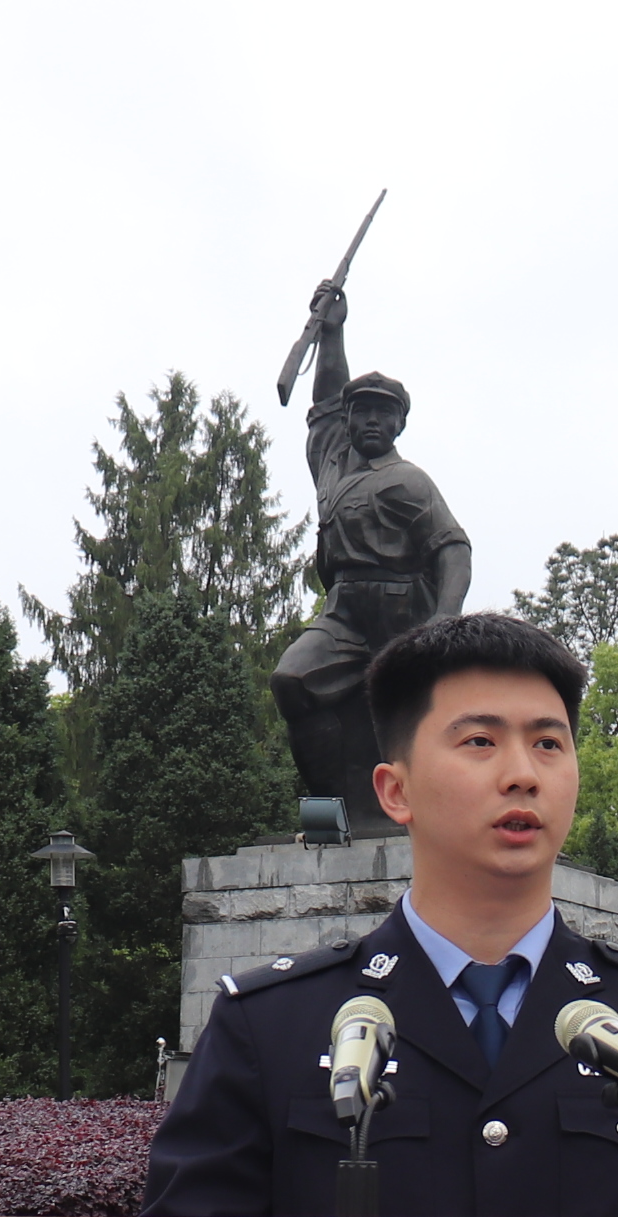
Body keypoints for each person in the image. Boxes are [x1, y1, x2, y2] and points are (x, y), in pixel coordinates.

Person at [142, 611, 618, 1217]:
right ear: (396, 790)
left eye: (548, 743)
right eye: (480, 741)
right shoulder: (270, 1028)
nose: (523, 775)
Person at [268, 280, 469, 825]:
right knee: (293, 680)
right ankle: (330, 812)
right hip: (344, 609)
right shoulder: (332, 462)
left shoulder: (409, 481)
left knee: (410, 715)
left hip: (401, 609)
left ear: (400, 423)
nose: (373, 421)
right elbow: (326, 400)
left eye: (385, 414)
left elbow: (453, 548)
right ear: (351, 421)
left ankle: (417, 809)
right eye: (363, 413)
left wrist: (443, 621)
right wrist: (332, 334)